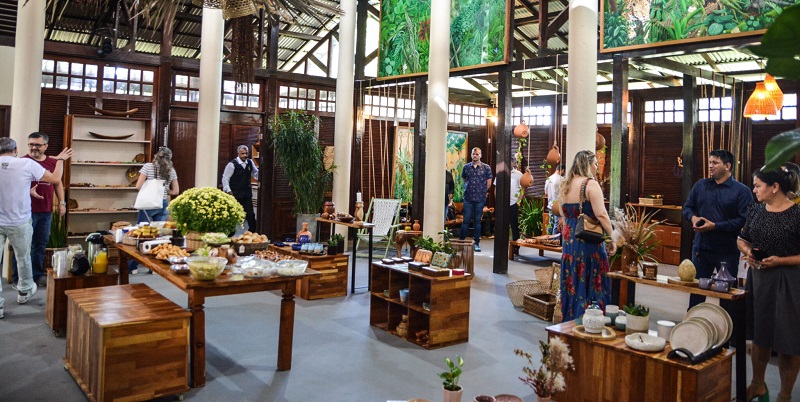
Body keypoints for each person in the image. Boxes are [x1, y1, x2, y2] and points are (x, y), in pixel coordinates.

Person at [736, 163, 800, 402]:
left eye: (758, 185)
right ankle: (758, 384)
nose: (754, 190)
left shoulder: (797, 214)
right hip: (760, 279)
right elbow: (742, 239)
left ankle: (785, 396)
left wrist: (781, 260)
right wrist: (749, 251)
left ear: (775, 187)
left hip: (790, 282)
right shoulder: (756, 210)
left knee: (788, 341)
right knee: (759, 336)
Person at [682, 149, 752, 309]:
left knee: (727, 295)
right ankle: (693, 321)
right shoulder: (701, 185)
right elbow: (687, 208)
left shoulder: (742, 191)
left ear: (727, 166)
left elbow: (743, 220)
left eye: (715, 163)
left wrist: (715, 226)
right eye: (710, 162)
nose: (710, 166)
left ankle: (728, 324)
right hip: (701, 250)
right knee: (696, 292)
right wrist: (693, 218)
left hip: (726, 251)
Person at [0, 137, 62, 315]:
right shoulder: (26, 164)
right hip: (19, 221)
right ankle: (24, 290)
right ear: (16, 150)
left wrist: (26, 191)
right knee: (23, 257)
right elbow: (55, 178)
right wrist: (60, 160)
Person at [558, 150, 617, 321]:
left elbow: (562, 214)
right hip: (588, 242)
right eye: (595, 164)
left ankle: (570, 320)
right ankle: (591, 321)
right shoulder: (590, 185)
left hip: (569, 242)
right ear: (588, 165)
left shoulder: (565, 185)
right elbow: (602, 214)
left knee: (573, 280)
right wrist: (613, 236)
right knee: (592, 280)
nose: (597, 167)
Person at [11, 132, 72, 289]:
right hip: (26, 212)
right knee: (22, 246)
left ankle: (36, 276)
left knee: (40, 245)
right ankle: (18, 279)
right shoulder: (22, 162)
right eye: (31, 144)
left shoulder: (52, 162)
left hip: (45, 212)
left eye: (38, 145)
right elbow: (13, 185)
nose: (34, 148)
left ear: (46, 146)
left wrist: (62, 203)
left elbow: (57, 183)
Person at [131, 147, 179, 275]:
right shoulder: (171, 170)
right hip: (163, 204)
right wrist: (164, 191)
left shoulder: (148, 166)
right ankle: (154, 268)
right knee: (158, 235)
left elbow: (138, 186)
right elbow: (176, 191)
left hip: (148, 204)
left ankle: (133, 266)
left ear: (156, 155)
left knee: (141, 235)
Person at [459, 147, 492, 252]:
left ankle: (476, 243)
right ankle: (461, 242)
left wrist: (482, 191)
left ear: (480, 155)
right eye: (473, 153)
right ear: (471, 155)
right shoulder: (466, 167)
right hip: (468, 198)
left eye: (477, 154)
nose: (475, 155)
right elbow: (465, 179)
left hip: (480, 199)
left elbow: (489, 182)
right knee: (466, 221)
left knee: (477, 221)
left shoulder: (486, 168)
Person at [222, 145, 259, 231]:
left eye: (246, 153)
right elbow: (225, 178)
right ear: (238, 154)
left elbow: (255, 173)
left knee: (250, 214)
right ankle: (230, 233)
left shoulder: (250, 162)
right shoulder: (232, 164)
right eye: (242, 153)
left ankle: (253, 232)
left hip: (246, 194)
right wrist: (228, 191)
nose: (245, 155)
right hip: (235, 194)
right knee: (233, 214)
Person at [494, 160, 523, 254]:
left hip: (513, 204)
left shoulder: (519, 174)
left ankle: (516, 248)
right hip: (502, 204)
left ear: (513, 163)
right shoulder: (500, 173)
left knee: (514, 227)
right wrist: (498, 202)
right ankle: (502, 248)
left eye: (509, 161)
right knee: (502, 227)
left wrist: (519, 201)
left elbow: (523, 189)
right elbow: (496, 189)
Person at [545, 164, 565, 235]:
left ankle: (547, 238)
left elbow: (546, 193)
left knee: (551, 224)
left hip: (550, 205)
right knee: (557, 225)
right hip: (557, 206)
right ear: (562, 170)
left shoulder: (549, 179)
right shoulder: (562, 179)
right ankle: (554, 240)